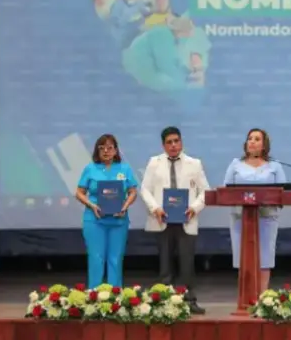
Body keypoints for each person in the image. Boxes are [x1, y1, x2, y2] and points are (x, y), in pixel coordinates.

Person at [139, 126, 209, 314]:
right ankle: (166, 302)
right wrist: (155, 208)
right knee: (165, 264)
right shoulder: (154, 163)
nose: (173, 145)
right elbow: (144, 189)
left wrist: (194, 208)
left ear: (181, 142)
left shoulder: (194, 163)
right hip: (163, 220)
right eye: (169, 142)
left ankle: (189, 300)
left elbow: (205, 191)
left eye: (176, 141)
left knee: (187, 264)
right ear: (163, 145)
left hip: (186, 220)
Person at [224, 128, 287, 291]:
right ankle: (245, 298)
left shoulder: (275, 166)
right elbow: (225, 192)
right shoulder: (235, 165)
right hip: (241, 219)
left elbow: (284, 194)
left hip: (266, 218)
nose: (252, 141)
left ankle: (263, 298)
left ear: (264, 145)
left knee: (265, 258)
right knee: (243, 258)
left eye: (257, 139)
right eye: (250, 138)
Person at [75, 134, 138, 289]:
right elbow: (79, 192)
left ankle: (114, 296)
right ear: (97, 150)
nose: (106, 151)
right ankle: (94, 295)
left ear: (116, 150)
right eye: (102, 148)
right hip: (95, 220)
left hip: (118, 220)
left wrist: (125, 206)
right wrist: (91, 205)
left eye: (110, 148)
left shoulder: (125, 168)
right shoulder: (90, 168)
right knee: (96, 258)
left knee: (115, 259)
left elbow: (133, 191)